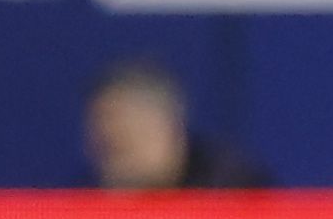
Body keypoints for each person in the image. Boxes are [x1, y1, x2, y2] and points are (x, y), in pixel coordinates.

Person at [83, 60, 270, 191]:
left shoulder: (235, 190)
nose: (110, 141)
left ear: (165, 125)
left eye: (126, 142)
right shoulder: (86, 200)